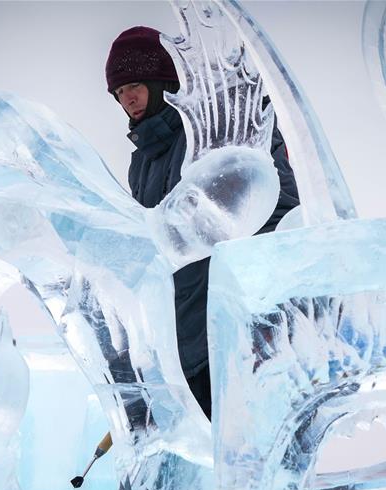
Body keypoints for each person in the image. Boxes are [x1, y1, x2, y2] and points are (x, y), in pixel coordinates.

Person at [106, 26, 300, 419]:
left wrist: (263, 314)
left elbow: (279, 208)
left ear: (162, 82)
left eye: (136, 85)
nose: (128, 98)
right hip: (184, 346)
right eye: (119, 91)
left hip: (236, 335)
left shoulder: (221, 123)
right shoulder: (141, 164)